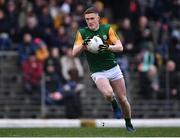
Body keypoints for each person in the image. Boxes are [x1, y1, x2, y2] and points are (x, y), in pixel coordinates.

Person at [72, 7, 135, 132]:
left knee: (123, 99)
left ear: (98, 18)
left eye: (92, 18)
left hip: (113, 68)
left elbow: (120, 47)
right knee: (108, 93)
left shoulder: (107, 29)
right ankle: (113, 103)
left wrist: (107, 47)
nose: (90, 21)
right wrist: (83, 45)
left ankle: (128, 122)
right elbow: (74, 52)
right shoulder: (82, 33)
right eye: (87, 19)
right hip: (98, 71)